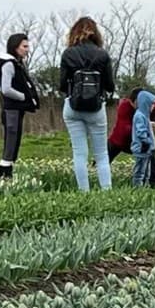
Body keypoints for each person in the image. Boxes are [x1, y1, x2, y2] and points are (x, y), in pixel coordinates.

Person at [58, 16, 115, 192]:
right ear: (96, 33)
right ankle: (106, 192)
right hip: (96, 108)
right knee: (102, 154)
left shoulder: (68, 54)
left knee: (79, 153)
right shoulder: (102, 54)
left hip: (73, 108)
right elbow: (110, 86)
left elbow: (61, 85)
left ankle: (84, 192)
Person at [0, 33, 39, 180]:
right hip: (11, 109)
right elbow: (6, 89)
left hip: (17, 110)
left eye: (28, 46)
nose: (27, 49)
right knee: (11, 142)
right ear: (15, 47)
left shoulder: (18, 64)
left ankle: (8, 175)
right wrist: (24, 97)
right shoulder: (9, 64)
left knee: (15, 141)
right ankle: (4, 176)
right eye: (24, 46)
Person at [108, 89, 155, 186]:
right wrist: (147, 125)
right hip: (121, 140)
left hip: (146, 142)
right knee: (105, 156)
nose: (135, 105)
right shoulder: (125, 106)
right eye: (133, 104)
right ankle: (100, 177)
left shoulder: (153, 104)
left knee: (151, 161)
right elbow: (124, 129)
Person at [130, 90, 155, 187]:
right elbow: (141, 132)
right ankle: (137, 188)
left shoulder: (145, 116)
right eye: (151, 104)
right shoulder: (139, 116)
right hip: (142, 149)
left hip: (147, 150)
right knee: (139, 172)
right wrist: (148, 141)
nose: (153, 107)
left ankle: (145, 188)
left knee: (147, 172)